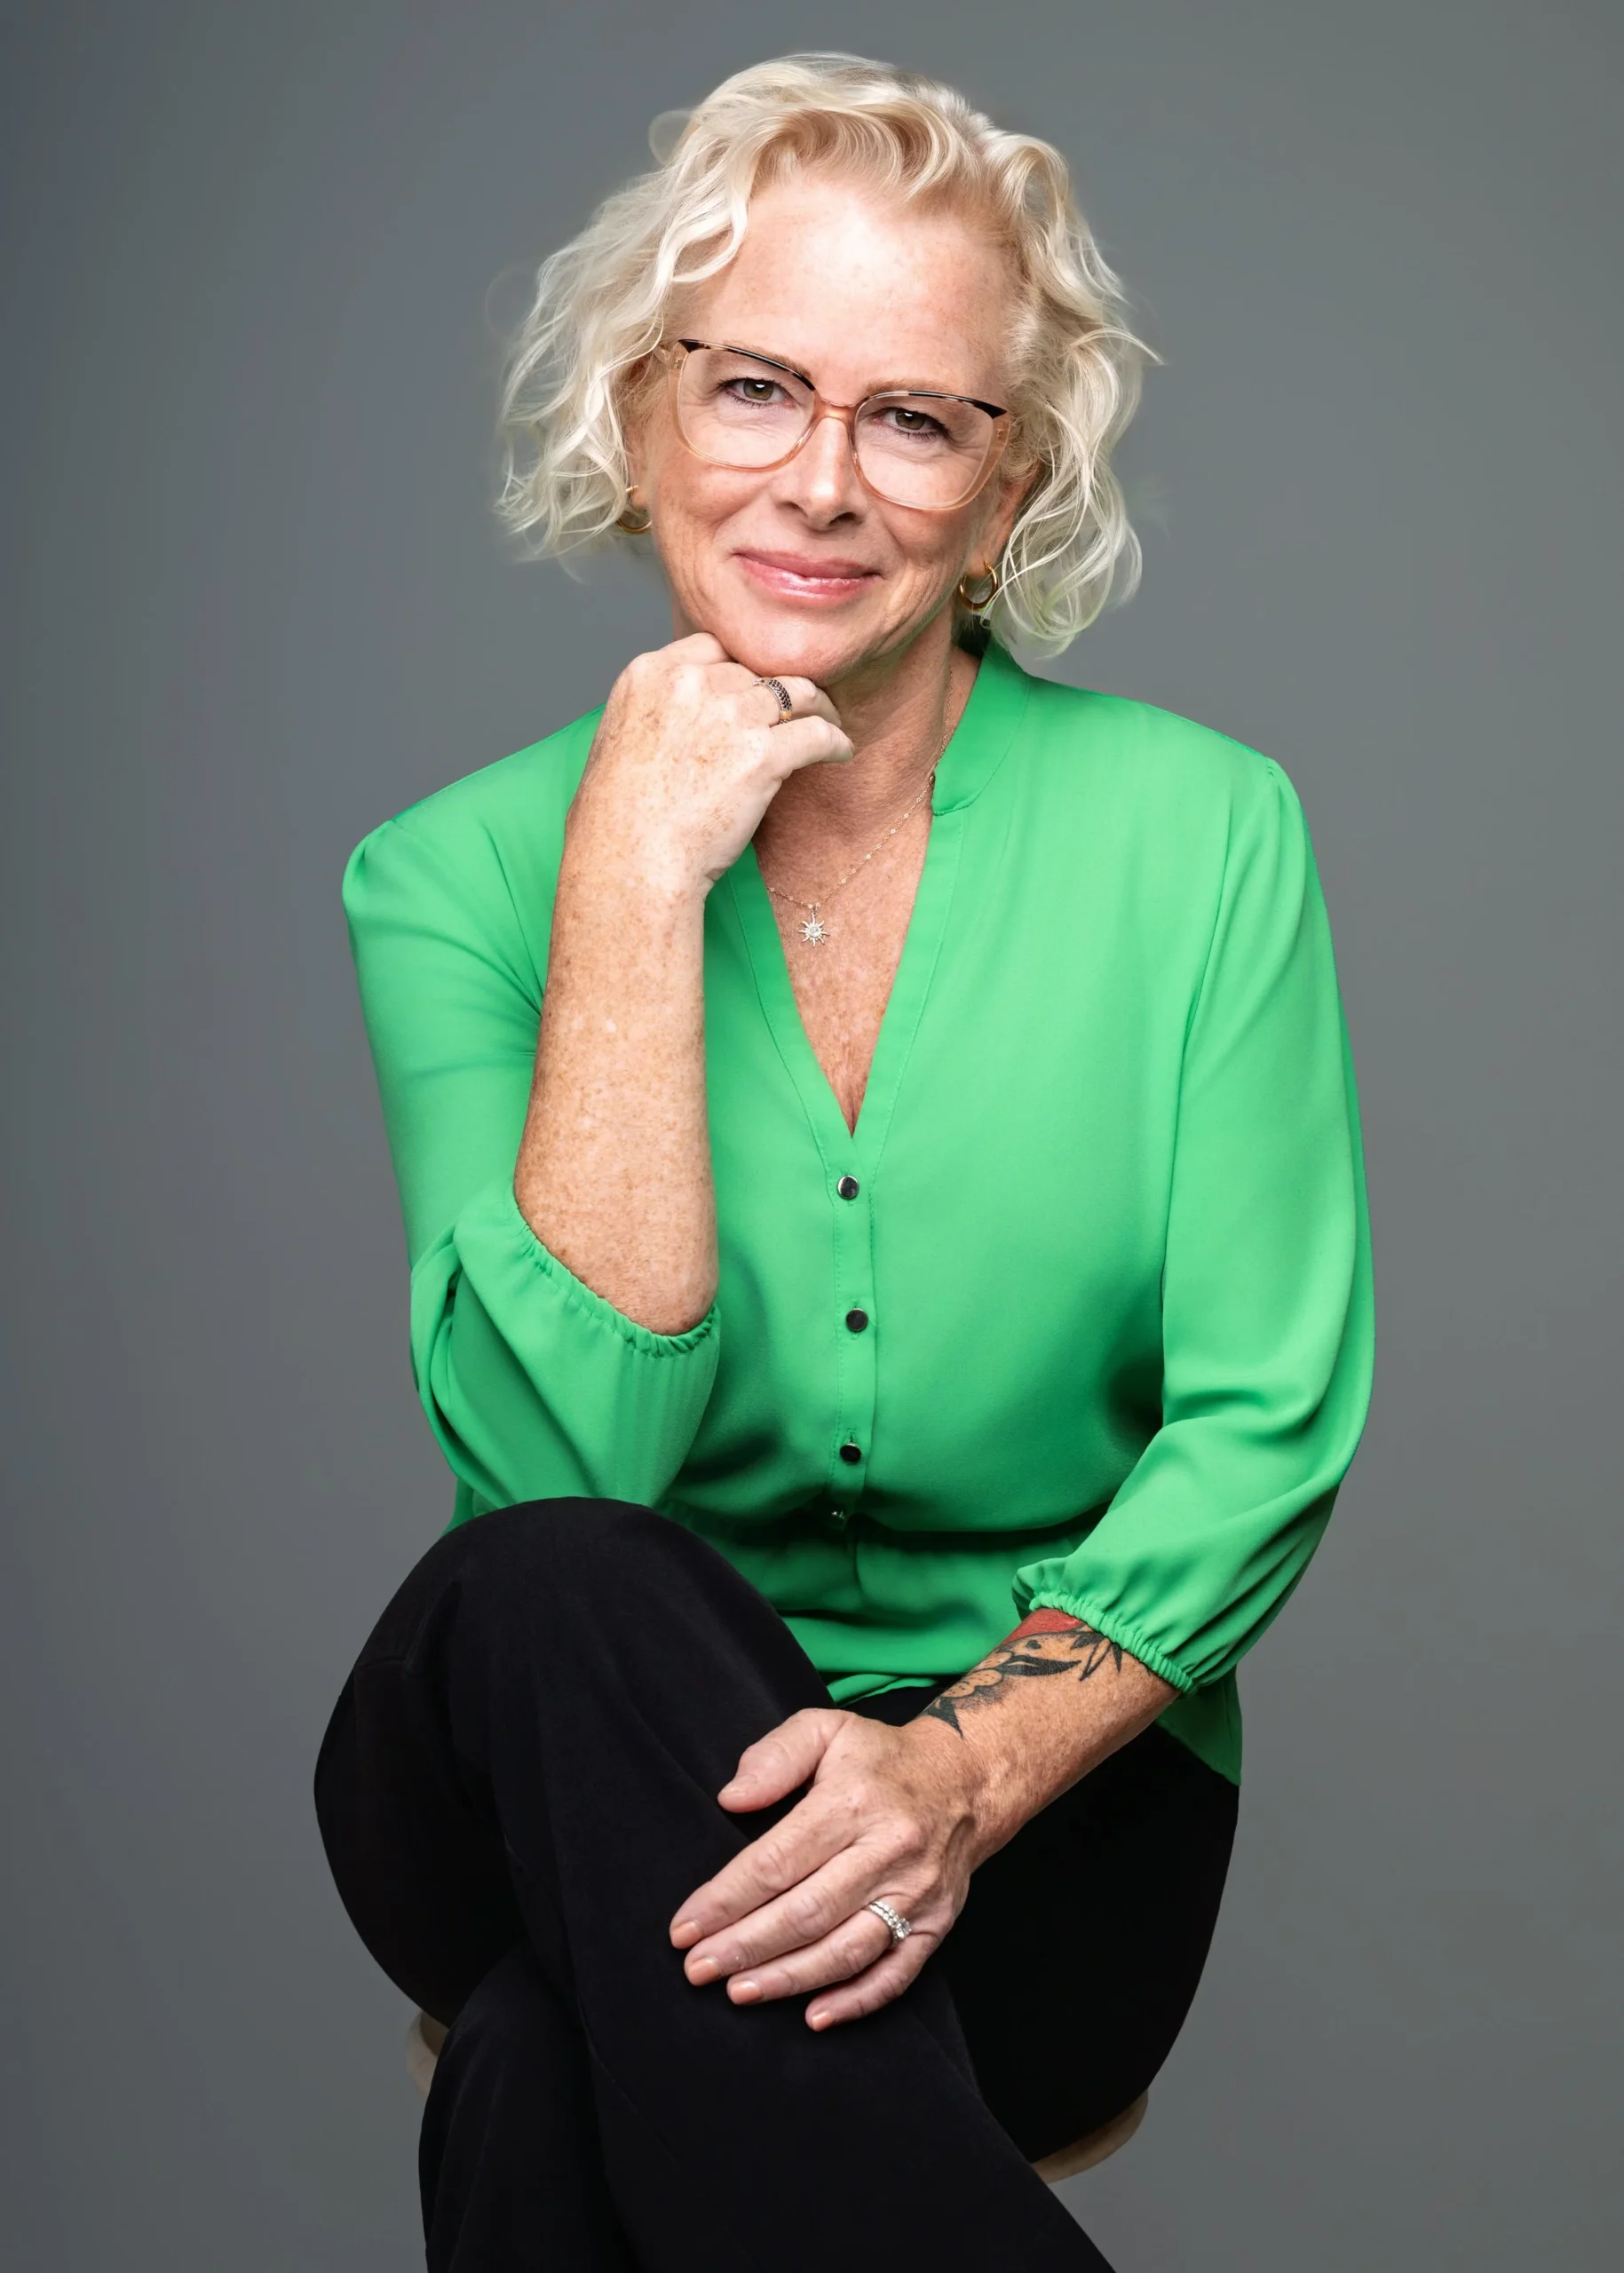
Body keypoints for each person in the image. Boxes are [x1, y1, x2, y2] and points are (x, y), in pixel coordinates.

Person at [313, 51, 1374, 2273]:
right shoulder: (454, 875)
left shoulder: (1202, 835)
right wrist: (629, 886)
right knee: (556, 1581)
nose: (818, 479)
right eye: (750, 388)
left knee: (542, 2063)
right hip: (549, 1745)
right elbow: (561, 1463)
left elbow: (1263, 1421)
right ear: (640, 417)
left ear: (1003, 494)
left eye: (911, 418)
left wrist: (949, 1777)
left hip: (1047, 1793)